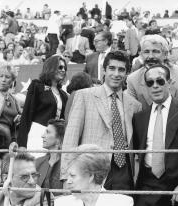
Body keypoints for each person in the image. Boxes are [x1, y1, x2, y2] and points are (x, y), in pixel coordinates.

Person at [61, 51, 142, 191]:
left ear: (126, 74)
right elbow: (71, 138)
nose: (116, 74)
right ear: (104, 70)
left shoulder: (134, 105)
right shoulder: (84, 96)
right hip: (90, 170)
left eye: (121, 70)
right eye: (112, 68)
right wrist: (66, 176)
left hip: (123, 173)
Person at [132, 64, 178, 206]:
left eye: (160, 81)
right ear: (146, 87)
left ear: (170, 83)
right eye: (150, 83)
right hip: (147, 187)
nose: (155, 86)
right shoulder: (139, 117)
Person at [127, 34, 178, 110]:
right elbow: (132, 113)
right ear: (141, 54)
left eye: (155, 51)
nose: (151, 56)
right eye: (146, 52)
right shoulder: (132, 80)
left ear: (165, 54)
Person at [56, 144, 133, 206]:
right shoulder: (61, 203)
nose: (68, 181)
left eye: (72, 176)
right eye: (68, 176)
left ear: (91, 176)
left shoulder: (122, 203)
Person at [18, 55, 68, 149]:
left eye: (65, 68)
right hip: (37, 132)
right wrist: (22, 144)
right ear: (51, 68)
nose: (63, 70)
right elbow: (26, 114)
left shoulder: (63, 94)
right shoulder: (37, 86)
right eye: (60, 67)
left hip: (55, 137)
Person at [36, 119, 65, 196]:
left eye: (48, 132)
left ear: (59, 138)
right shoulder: (37, 162)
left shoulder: (68, 165)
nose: (42, 136)